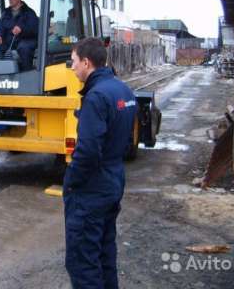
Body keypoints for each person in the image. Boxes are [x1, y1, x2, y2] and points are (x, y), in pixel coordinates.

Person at [64, 37, 137, 289]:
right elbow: (124, 139)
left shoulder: (95, 97)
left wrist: (72, 181)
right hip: (114, 180)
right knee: (105, 254)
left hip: (92, 189)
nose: (71, 67)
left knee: (83, 262)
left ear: (86, 62)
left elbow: (87, 151)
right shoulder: (123, 91)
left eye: (73, 62)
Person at [0, 0, 38, 71]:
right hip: (9, 41)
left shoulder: (29, 13)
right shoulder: (5, 13)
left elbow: (34, 29)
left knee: (24, 48)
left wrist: (22, 29)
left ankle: (25, 73)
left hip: (25, 39)